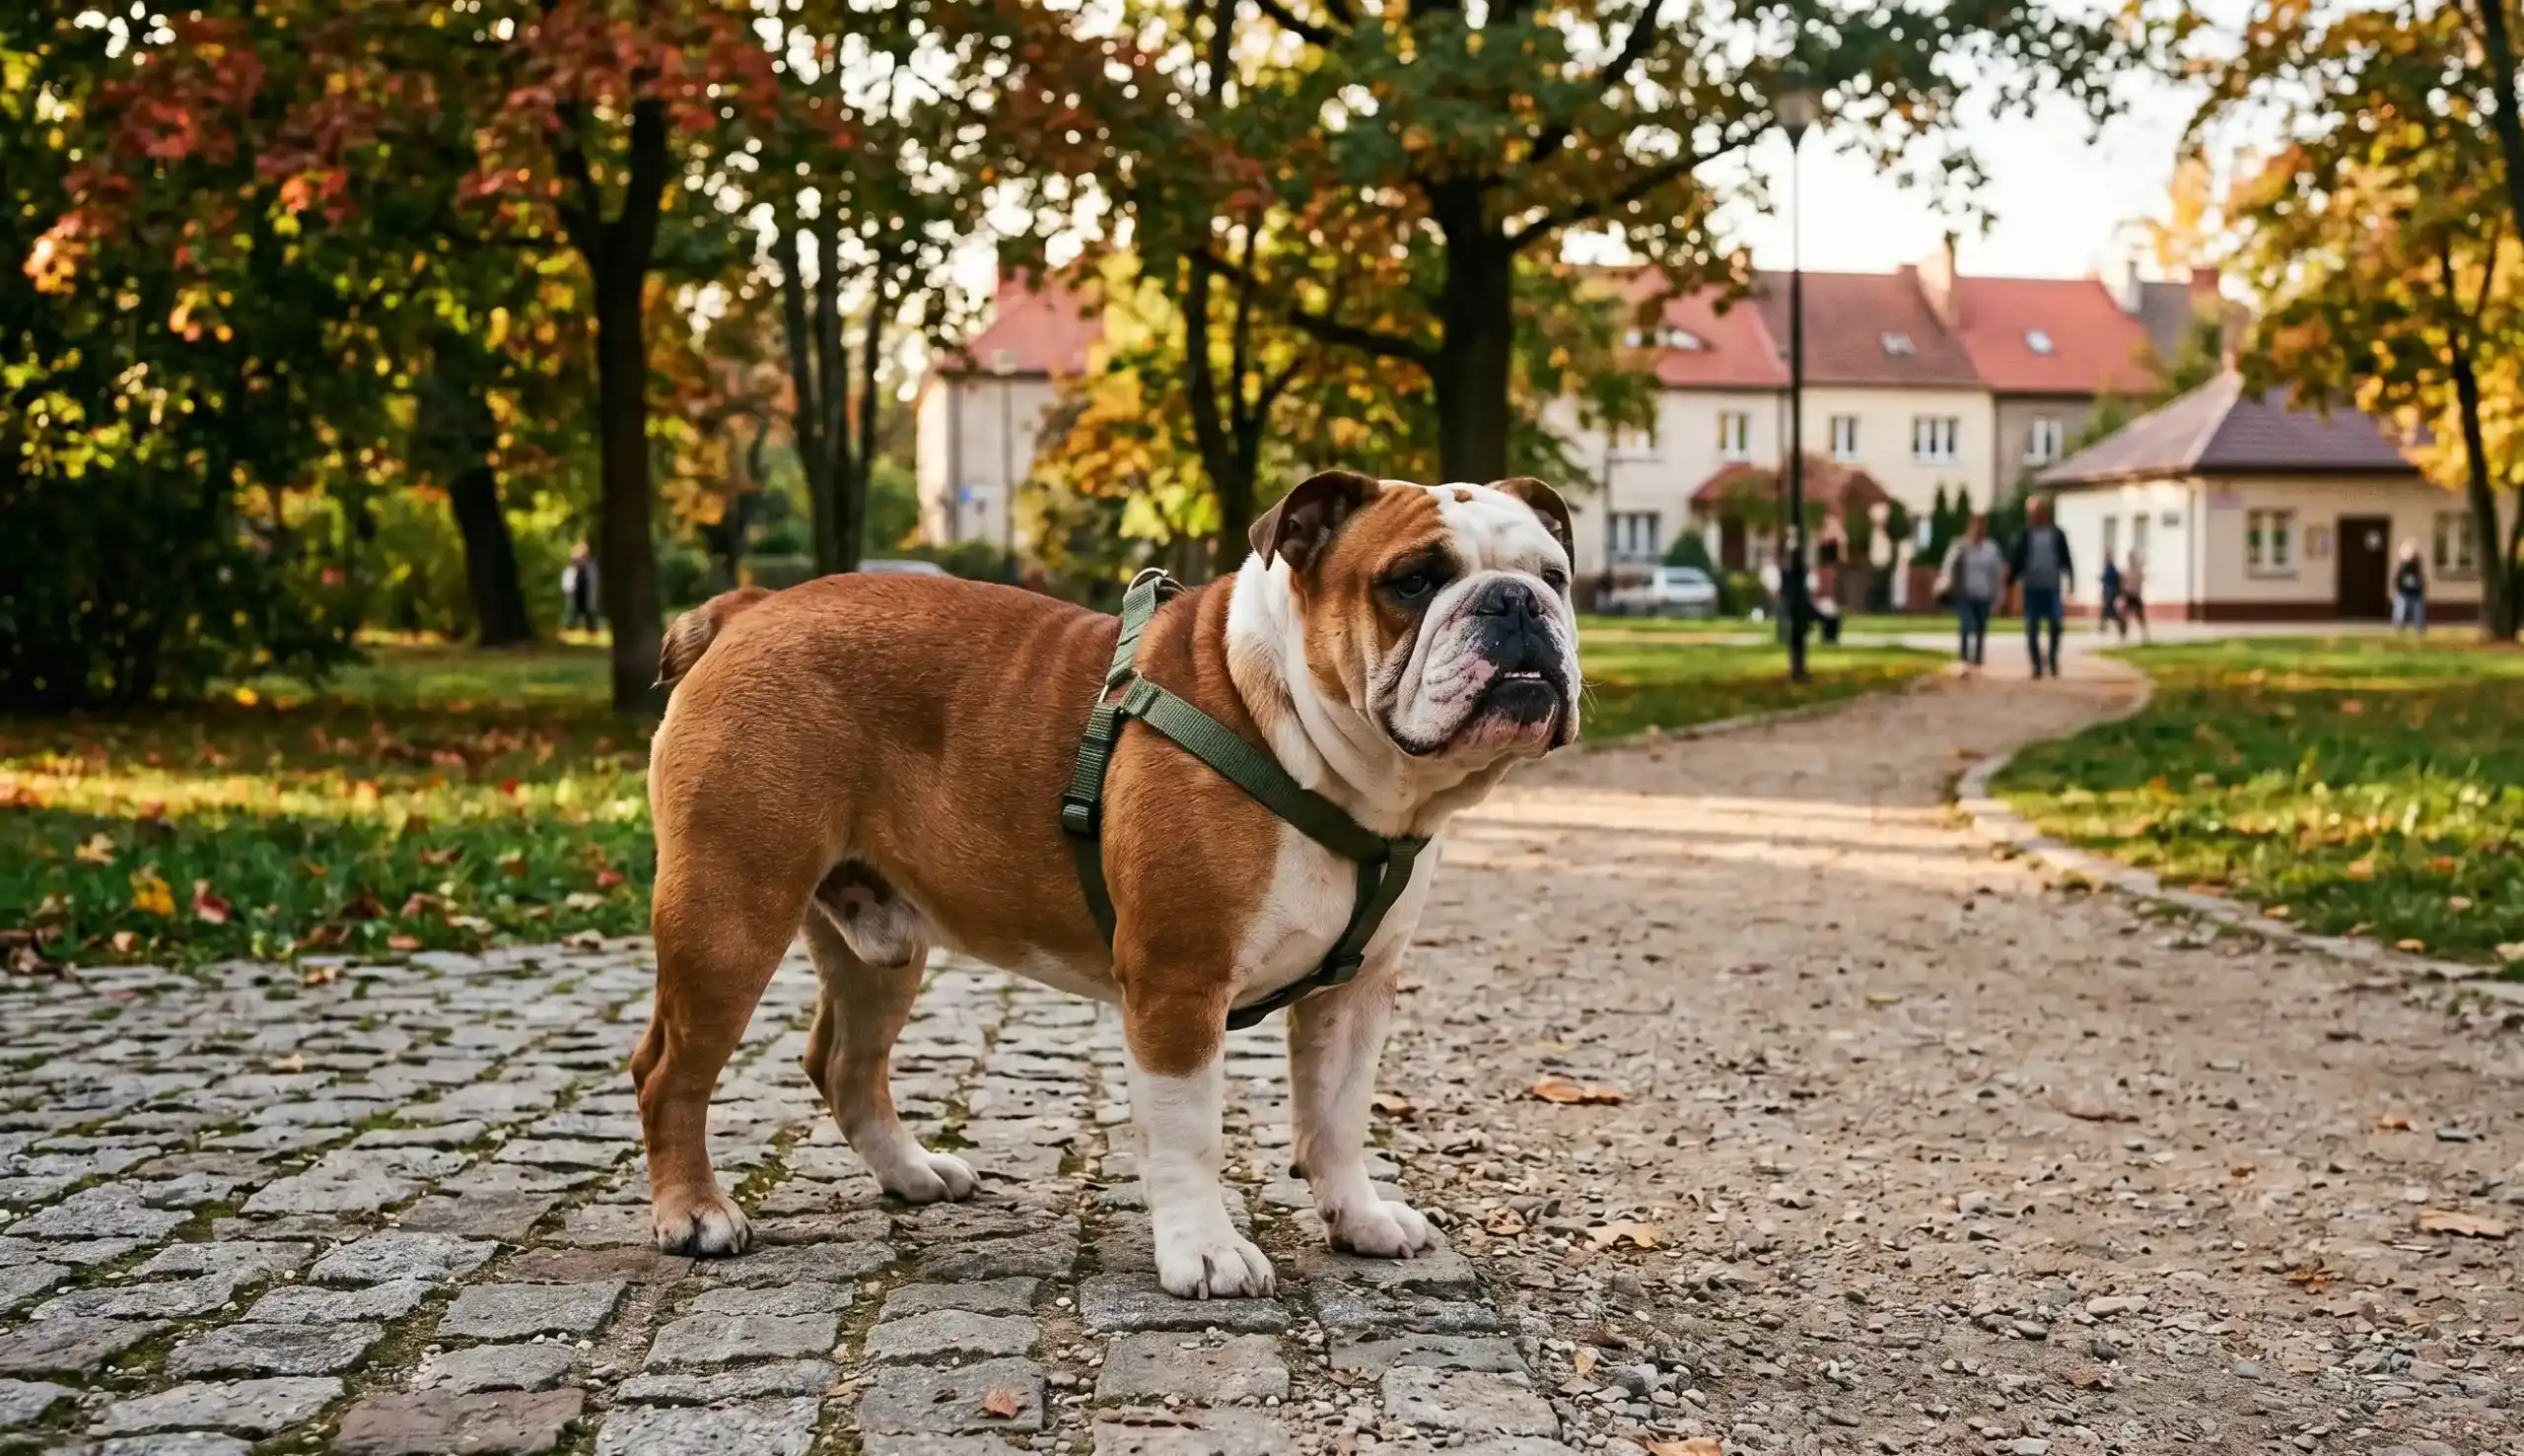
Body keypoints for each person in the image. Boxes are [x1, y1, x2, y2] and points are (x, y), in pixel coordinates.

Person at [2006, 497, 2074, 678]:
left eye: (2037, 512)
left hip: (2052, 587)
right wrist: (2010, 582)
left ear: (2044, 512)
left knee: (2056, 624)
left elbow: (2067, 559)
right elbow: (2017, 560)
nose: (2034, 516)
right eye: (2031, 513)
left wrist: (2071, 581)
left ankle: (2052, 658)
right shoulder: (2025, 535)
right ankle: (2036, 664)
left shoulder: (2057, 534)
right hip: (2032, 588)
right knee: (2032, 627)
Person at [1937, 514, 2005, 673]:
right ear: (1971, 527)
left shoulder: (1991, 548)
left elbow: (1996, 573)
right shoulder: (1960, 546)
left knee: (1981, 628)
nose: (1980, 530)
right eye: (1977, 526)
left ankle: (1978, 661)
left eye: (1983, 526)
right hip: (1965, 593)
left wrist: (1998, 595)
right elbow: (1948, 567)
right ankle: (1964, 660)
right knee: (1966, 625)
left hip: (1984, 594)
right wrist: (1946, 584)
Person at [562, 543, 600, 634]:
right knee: (573, 610)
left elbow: (594, 583)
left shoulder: (591, 569)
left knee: (589, 610)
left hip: (586, 592)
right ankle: (571, 626)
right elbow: (567, 584)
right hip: (575, 592)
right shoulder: (571, 570)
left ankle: (591, 628)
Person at [2394, 539, 2426, 635]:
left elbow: (2420, 579)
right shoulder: (2403, 566)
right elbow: (2398, 579)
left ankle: (2419, 631)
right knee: (2401, 613)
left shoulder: (2416, 565)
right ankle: (2400, 629)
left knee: (2418, 614)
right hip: (2404, 593)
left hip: (2415, 594)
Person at [2118, 549, 2151, 643]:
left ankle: (2145, 635)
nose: (2132, 560)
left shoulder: (2137, 570)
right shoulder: (2125, 570)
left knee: (2140, 616)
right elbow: (2121, 583)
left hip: (2135, 595)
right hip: (2127, 595)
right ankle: (2123, 635)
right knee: (2123, 616)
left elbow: (2141, 581)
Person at [2098, 552, 2124, 636]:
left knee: (2108, 610)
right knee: (2108, 610)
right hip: (2109, 591)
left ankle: (2118, 626)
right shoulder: (2108, 567)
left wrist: (2102, 578)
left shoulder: (2110, 567)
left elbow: (2111, 579)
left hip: (2111, 592)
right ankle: (2104, 626)